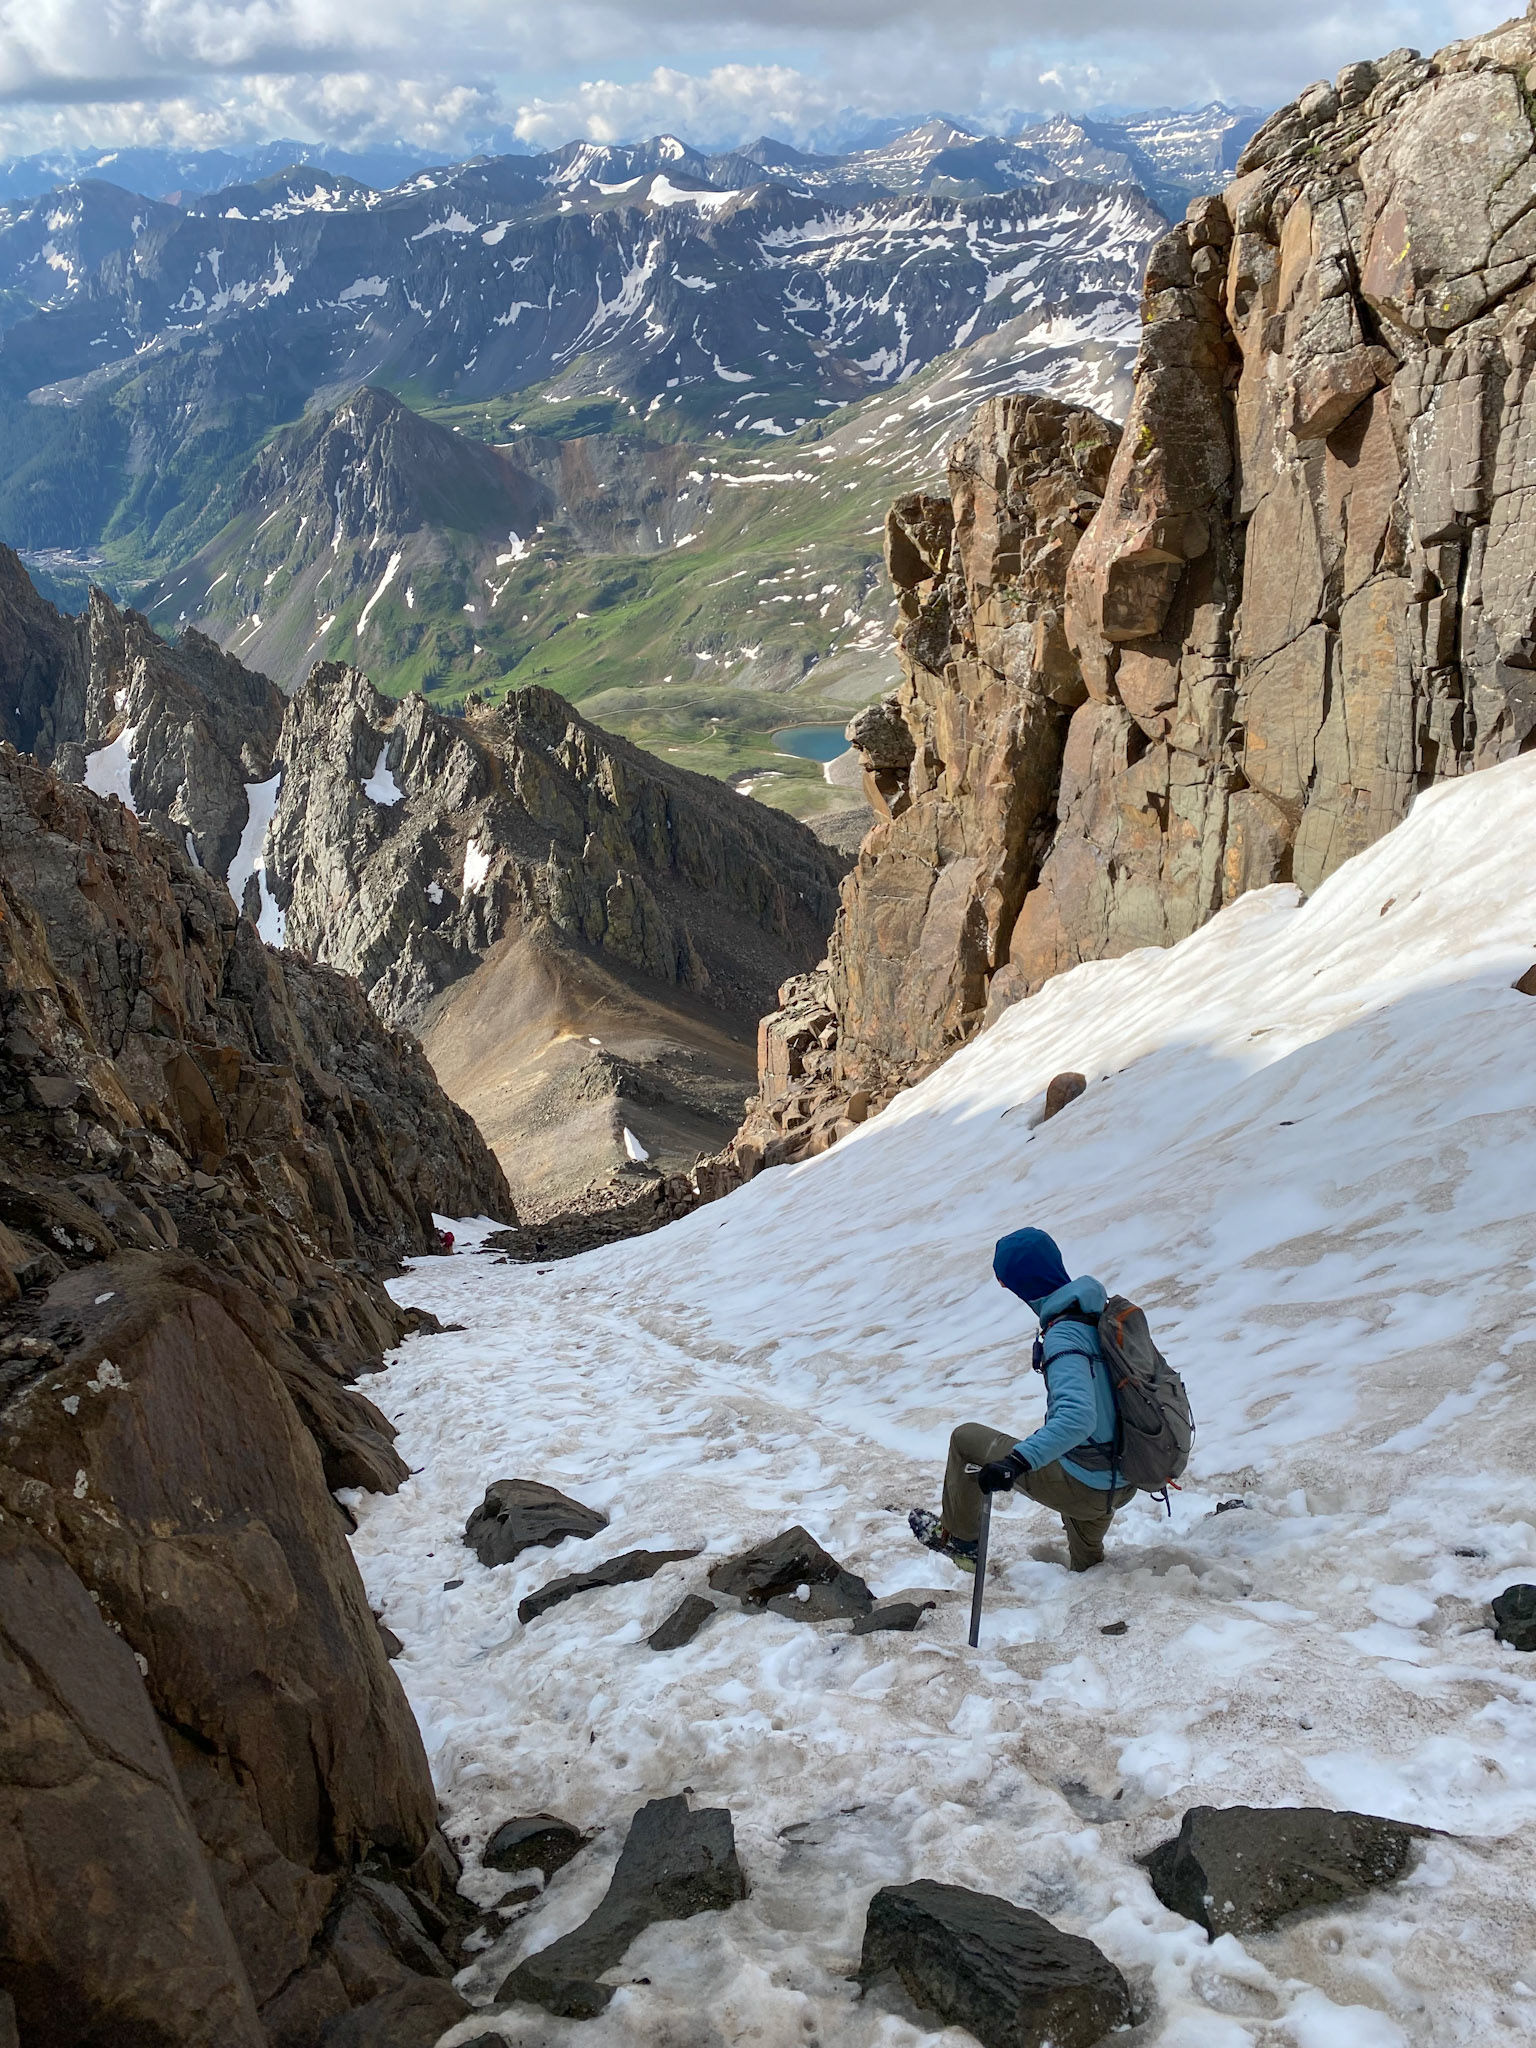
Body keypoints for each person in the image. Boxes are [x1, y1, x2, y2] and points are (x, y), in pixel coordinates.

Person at [910, 1226, 1136, 1574]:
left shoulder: (1064, 1335)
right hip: (1125, 1473)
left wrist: (1016, 1462)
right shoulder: (1099, 1314)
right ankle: (1088, 1564)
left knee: (966, 1439)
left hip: (1088, 1484)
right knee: (1089, 1572)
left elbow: (1077, 1418)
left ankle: (960, 1542)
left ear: (1012, 1285)